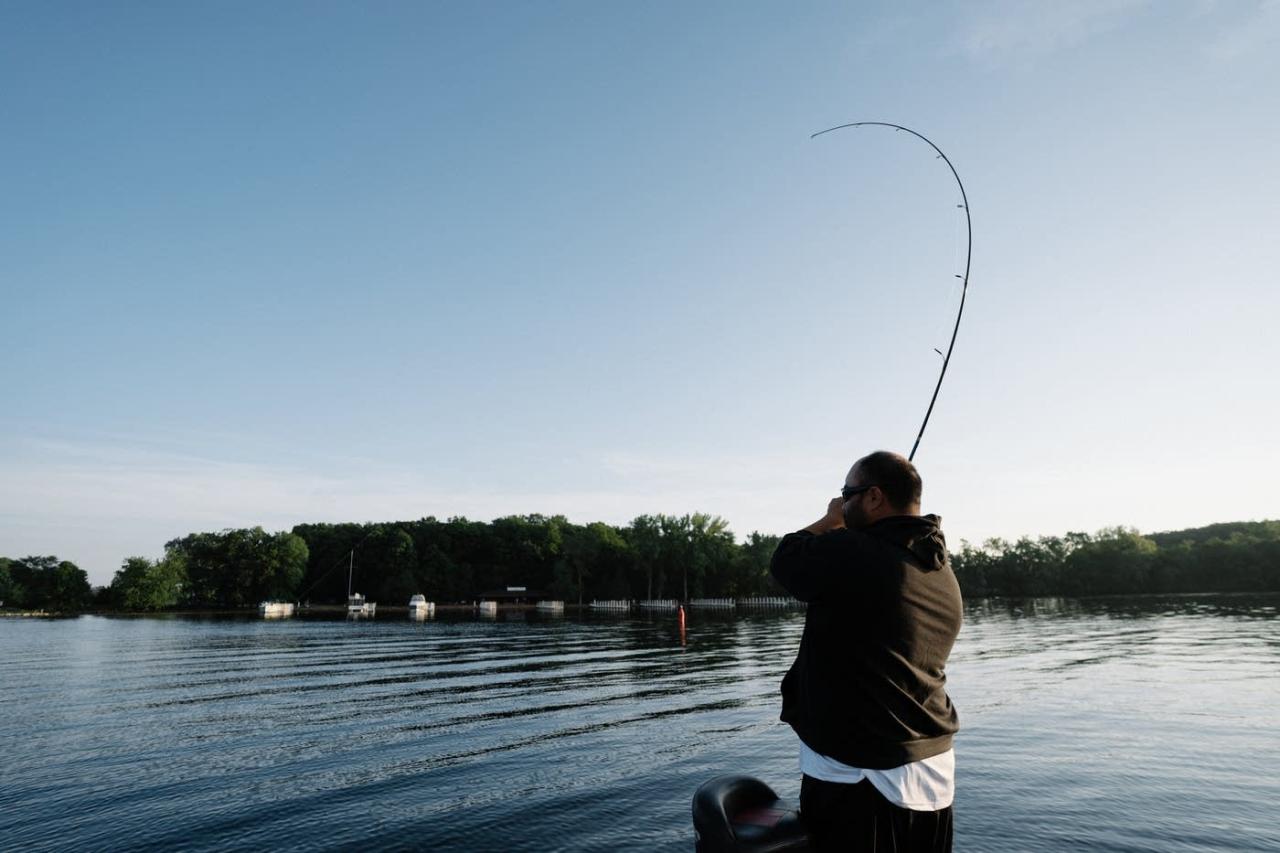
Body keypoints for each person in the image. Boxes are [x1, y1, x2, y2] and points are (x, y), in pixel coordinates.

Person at [770, 450, 962, 852]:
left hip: (862, 780)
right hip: (933, 777)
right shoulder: (941, 572)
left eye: (847, 493)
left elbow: (786, 561)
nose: (842, 501)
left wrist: (831, 519)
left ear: (874, 497)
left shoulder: (856, 552)